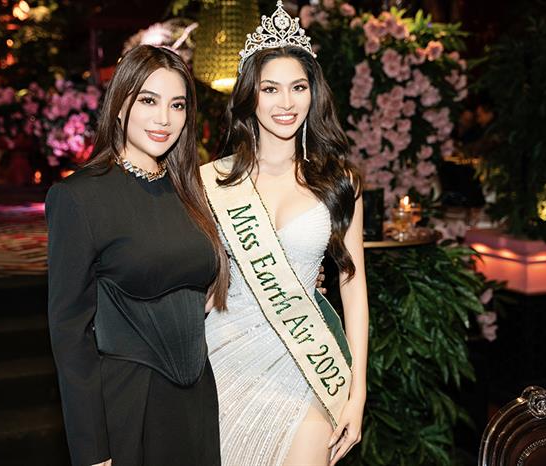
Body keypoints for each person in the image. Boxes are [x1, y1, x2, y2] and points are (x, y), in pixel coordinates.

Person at [201, 2, 369, 465]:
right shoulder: (208, 181)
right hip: (222, 357)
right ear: (250, 96)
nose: (286, 103)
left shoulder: (340, 183)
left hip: (306, 365)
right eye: (270, 89)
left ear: (313, 93)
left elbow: (353, 287)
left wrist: (357, 393)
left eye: (298, 87)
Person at [45, 45, 229, 466]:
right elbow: (69, 333)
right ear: (119, 106)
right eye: (148, 100)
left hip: (195, 400)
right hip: (126, 404)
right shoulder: (79, 197)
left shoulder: (191, 190)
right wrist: (93, 450)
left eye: (177, 105)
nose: (164, 118)